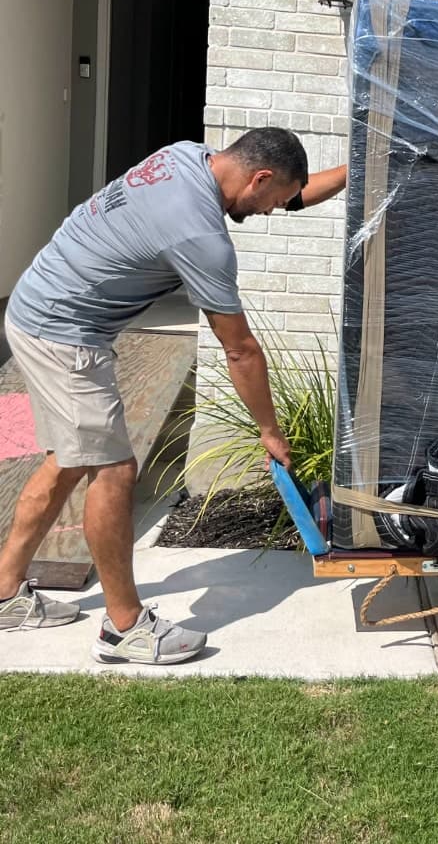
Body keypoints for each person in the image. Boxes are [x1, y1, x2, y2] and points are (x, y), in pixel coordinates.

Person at [0, 128, 347, 665]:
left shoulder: (187, 158)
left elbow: (294, 193)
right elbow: (240, 352)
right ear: (258, 177)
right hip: (64, 332)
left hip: (40, 307)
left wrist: (364, 171)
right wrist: (270, 432)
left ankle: (5, 592)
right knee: (113, 470)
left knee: (69, 461)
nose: (274, 212)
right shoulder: (199, 236)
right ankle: (125, 629)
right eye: (273, 201)